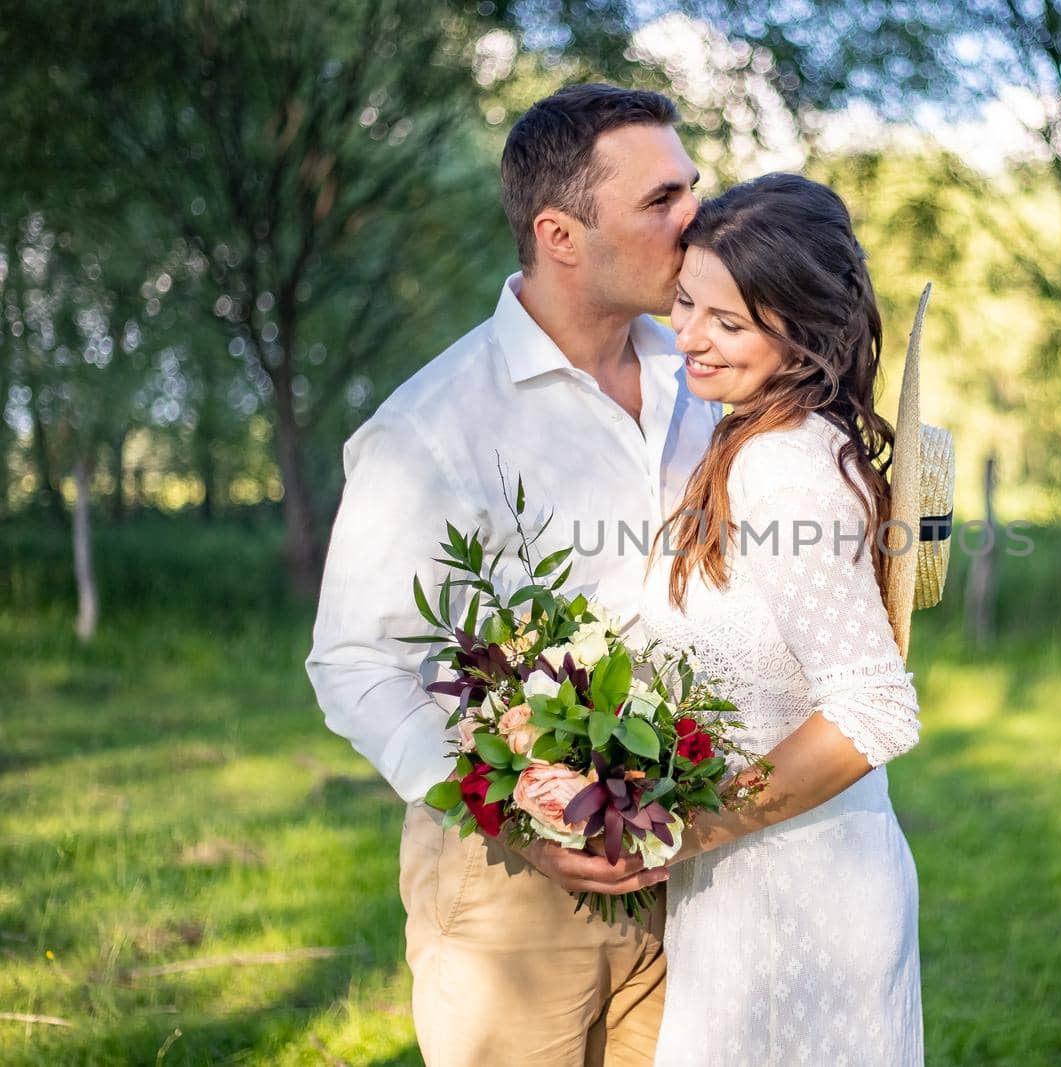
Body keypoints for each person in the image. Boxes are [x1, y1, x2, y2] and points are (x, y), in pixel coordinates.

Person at [305, 83, 717, 1066]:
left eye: (692, 189)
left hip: (694, 863)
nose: (697, 219)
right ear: (560, 233)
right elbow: (354, 661)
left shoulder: (705, 380)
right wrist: (506, 813)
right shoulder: (430, 427)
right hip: (507, 888)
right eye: (662, 200)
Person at [640, 173, 925, 1065]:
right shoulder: (757, 438)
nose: (690, 336)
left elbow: (874, 708)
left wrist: (689, 828)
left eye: (727, 322)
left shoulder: (783, 467)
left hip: (794, 893)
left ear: (801, 326)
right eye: (685, 304)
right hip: (759, 878)